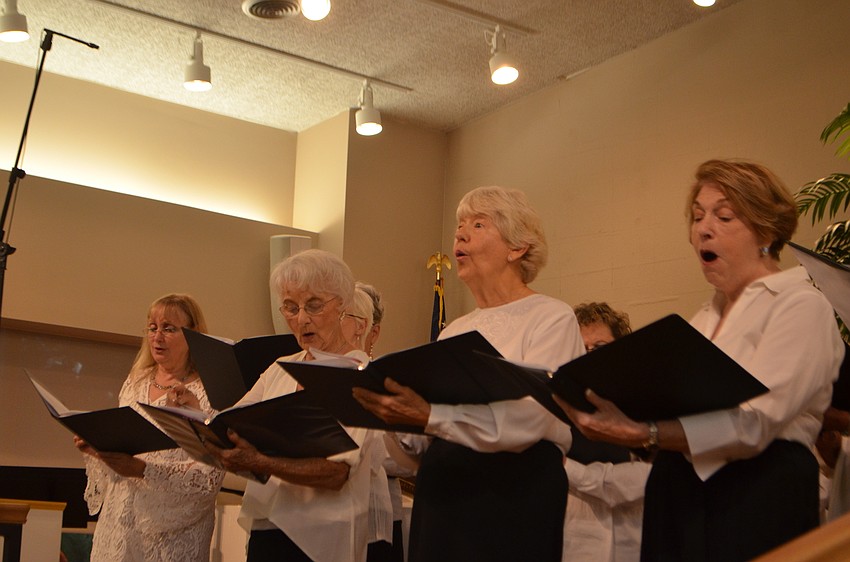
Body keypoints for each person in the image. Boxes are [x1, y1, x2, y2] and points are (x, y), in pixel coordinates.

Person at [558, 159, 845, 561]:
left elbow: (756, 421)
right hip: (677, 489)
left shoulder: (800, 304)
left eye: (724, 216)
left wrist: (646, 433)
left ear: (766, 229)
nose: (702, 228)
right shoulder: (702, 319)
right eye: (697, 217)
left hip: (756, 493)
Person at [353, 185, 585, 562]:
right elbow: (419, 448)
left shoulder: (551, 317)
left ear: (517, 247)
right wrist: (390, 417)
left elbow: (531, 419)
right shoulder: (454, 331)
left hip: (512, 498)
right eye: (460, 225)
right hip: (442, 495)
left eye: (478, 225)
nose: (460, 234)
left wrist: (431, 416)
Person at [204, 249, 392, 562]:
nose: (301, 319)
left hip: (325, 535)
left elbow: (336, 474)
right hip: (270, 524)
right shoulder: (280, 367)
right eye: (290, 308)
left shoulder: (360, 374)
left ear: (343, 305)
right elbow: (231, 425)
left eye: (314, 305)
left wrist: (261, 460)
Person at [74, 293, 225, 562]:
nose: (157, 336)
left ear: (194, 335)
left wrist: (144, 470)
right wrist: (98, 447)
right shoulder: (136, 381)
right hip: (120, 520)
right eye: (152, 328)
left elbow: (209, 473)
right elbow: (123, 443)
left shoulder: (209, 391)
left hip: (173, 533)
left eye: (169, 328)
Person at [564, 302, 650, 562]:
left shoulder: (647, 402)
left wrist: (571, 470)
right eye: (580, 348)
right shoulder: (557, 408)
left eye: (599, 348)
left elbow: (645, 479)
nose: (588, 355)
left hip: (633, 543)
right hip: (574, 544)